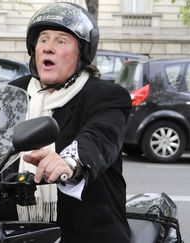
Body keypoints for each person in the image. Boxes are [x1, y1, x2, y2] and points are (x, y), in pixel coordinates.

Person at [8, 2, 132, 242]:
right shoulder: (15, 94)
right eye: (43, 39)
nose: (48, 48)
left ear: (81, 54)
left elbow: (100, 137)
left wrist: (69, 162)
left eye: (61, 41)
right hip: (16, 226)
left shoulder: (104, 95)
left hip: (85, 228)